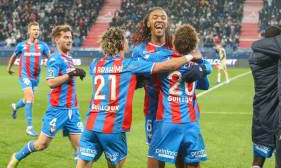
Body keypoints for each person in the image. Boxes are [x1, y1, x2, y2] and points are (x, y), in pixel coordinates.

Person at [76, 27, 202, 168]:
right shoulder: (129, 65)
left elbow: (113, 80)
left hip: (90, 125)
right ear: (122, 44)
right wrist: (190, 56)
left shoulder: (94, 65)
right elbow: (164, 66)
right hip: (112, 127)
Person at [131, 7, 209, 168]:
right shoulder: (139, 50)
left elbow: (200, 62)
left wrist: (202, 67)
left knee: (179, 153)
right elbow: (134, 77)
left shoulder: (175, 47)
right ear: (148, 23)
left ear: (167, 23)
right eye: (155, 17)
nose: (159, 19)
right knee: (158, 156)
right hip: (154, 110)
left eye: (163, 17)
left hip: (171, 111)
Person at [7, 24, 86, 168]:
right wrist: (70, 74)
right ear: (57, 40)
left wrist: (74, 76)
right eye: (65, 37)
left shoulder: (68, 58)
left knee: (82, 150)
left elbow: (69, 83)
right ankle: (17, 156)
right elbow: (50, 82)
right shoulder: (55, 59)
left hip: (72, 111)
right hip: (57, 110)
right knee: (41, 144)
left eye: (70, 37)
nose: (69, 40)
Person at [147, 24, 211, 168]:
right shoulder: (195, 63)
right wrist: (203, 65)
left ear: (174, 39)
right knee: (192, 164)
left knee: (155, 161)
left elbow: (146, 66)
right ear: (194, 44)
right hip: (190, 123)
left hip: (167, 121)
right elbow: (205, 85)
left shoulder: (163, 58)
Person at [7, 22, 50, 136]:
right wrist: (9, 68)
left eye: (38, 29)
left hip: (36, 78)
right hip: (24, 75)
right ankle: (29, 127)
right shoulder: (22, 45)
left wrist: (48, 63)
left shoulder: (43, 46)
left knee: (27, 99)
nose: (36, 31)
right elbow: (13, 56)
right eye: (34, 29)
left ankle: (15, 106)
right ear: (29, 31)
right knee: (30, 97)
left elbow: (51, 58)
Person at [250, 25, 281, 168]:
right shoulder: (273, 58)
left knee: (258, 158)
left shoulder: (255, 55)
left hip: (260, 110)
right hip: (275, 111)